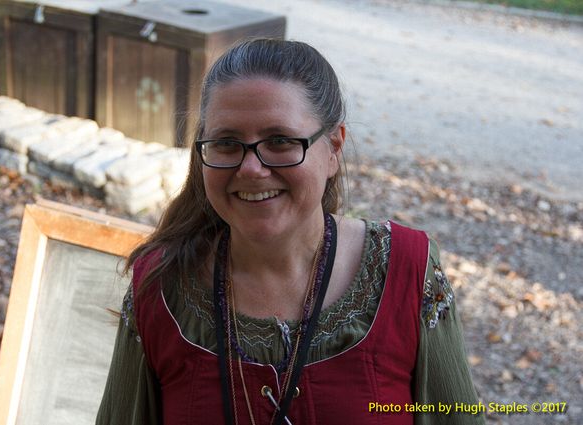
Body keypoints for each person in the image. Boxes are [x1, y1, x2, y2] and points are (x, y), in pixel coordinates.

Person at [96, 38, 484, 425]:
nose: (251, 169)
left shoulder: (407, 274)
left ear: (333, 148)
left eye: (280, 141)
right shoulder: (161, 290)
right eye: (227, 143)